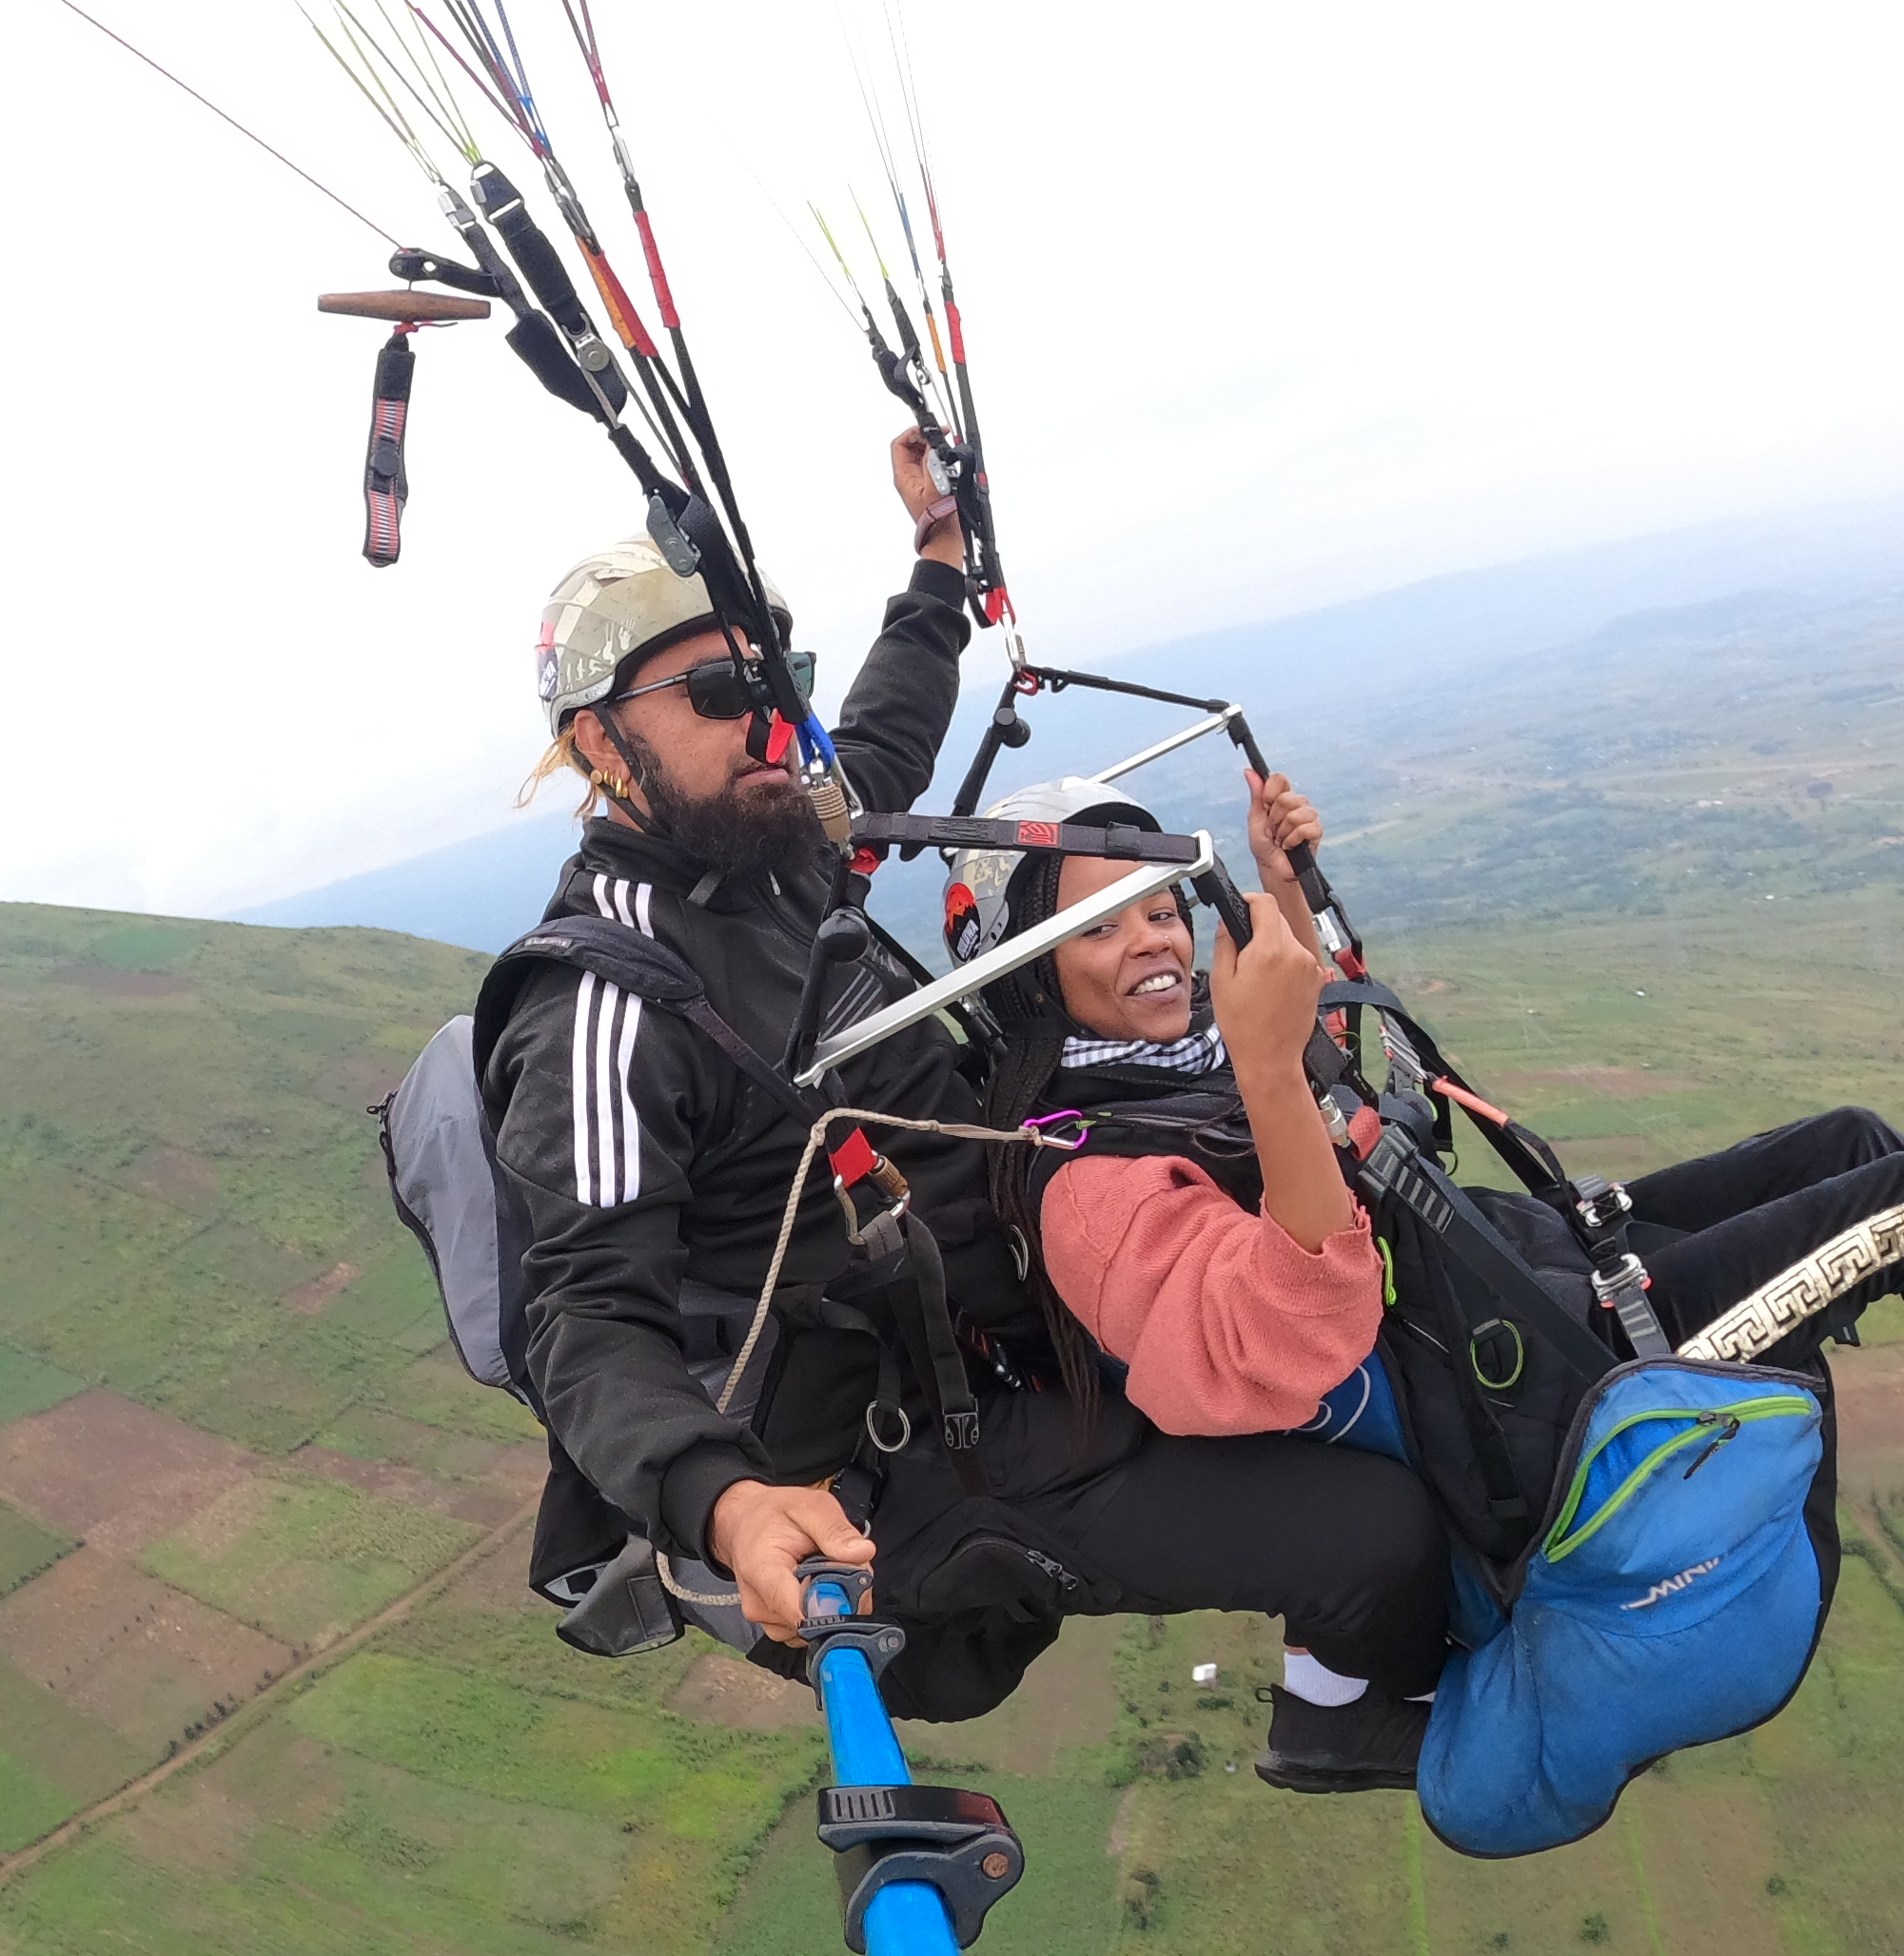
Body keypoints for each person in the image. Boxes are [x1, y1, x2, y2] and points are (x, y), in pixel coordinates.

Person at [480, 440, 1450, 1789]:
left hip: (1012, 1329)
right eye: (718, 690)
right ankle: (1343, 1722)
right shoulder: (606, 1000)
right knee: (1372, 1527)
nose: (773, 725)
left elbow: (881, 732)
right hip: (909, 1462)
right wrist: (728, 1502)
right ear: (599, 740)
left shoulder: (769, 847)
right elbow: (584, 1316)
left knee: (1411, 1335)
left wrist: (940, 557)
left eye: (778, 682)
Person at [974, 771, 1904, 1478]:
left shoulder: (1197, 1058)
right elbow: (1278, 1346)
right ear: (1032, 967)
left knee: (1848, 1139)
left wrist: (1278, 882)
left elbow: (1348, 1070)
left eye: (1162, 904)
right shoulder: (1080, 1173)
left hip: (1541, 1267)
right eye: (1104, 921)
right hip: (1550, 1382)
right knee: (1902, 1214)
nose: (1154, 937)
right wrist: (1277, 1080)